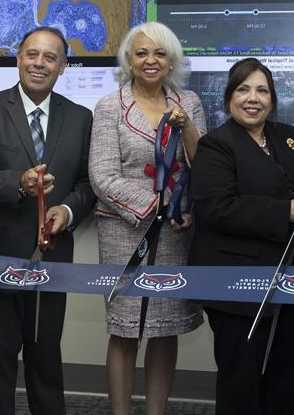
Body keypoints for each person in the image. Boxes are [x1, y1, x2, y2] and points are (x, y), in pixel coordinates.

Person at [0, 26, 96, 415]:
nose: (39, 63)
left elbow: (87, 182)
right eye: (32, 54)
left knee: (45, 354)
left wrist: (66, 211)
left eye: (50, 57)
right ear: (18, 58)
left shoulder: (81, 117)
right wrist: (17, 182)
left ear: (63, 67)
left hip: (52, 255)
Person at [188, 57, 294, 415]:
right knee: (240, 381)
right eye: (243, 89)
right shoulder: (214, 145)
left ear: (273, 99)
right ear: (229, 98)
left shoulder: (291, 138)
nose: (253, 98)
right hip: (237, 284)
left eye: (262, 90)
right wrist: (286, 211)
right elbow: (217, 208)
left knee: (287, 373)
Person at [89, 22, 204, 415]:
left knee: (164, 329)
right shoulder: (110, 105)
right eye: (141, 53)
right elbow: (102, 176)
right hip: (125, 230)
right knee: (124, 331)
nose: (150, 61)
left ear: (171, 59)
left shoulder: (188, 102)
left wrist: (186, 127)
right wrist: (158, 206)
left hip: (176, 232)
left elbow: (203, 164)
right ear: (128, 60)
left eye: (159, 53)